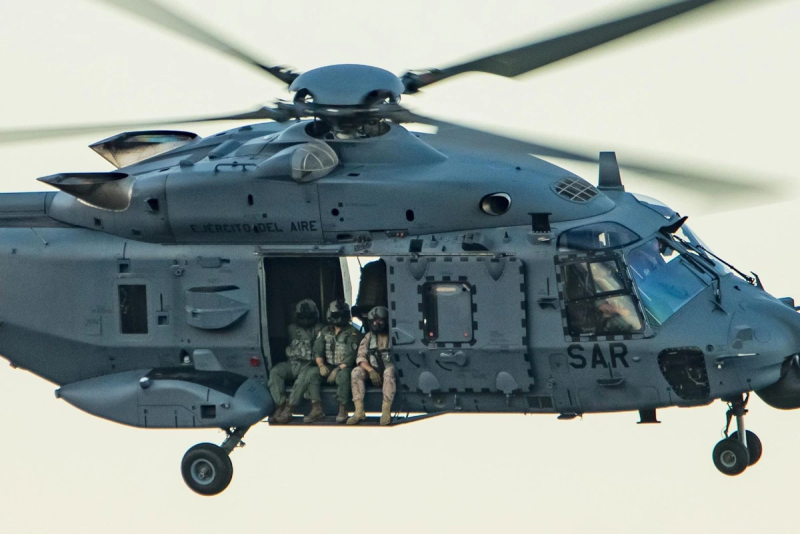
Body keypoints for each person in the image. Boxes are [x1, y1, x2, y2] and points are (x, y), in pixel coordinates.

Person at [269, 299, 324, 424]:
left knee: (302, 380)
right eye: (302, 317)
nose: (305, 320)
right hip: (292, 364)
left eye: (308, 317)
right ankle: (281, 404)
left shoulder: (320, 329)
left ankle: (289, 408)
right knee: (275, 372)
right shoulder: (291, 328)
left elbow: (315, 351)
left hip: (309, 364)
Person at [309, 299, 362, 424]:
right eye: (336, 316)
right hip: (328, 365)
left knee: (344, 377)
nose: (339, 319)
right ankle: (316, 407)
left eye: (342, 316)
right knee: (312, 374)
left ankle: (343, 408)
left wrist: (337, 370)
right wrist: (321, 366)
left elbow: (351, 356)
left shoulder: (353, 333)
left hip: (344, 367)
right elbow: (318, 351)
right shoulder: (325, 331)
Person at [348, 306, 395, 426]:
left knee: (389, 372)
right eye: (373, 321)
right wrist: (370, 371)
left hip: (391, 372)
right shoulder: (368, 337)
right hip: (372, 370)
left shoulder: (394, 336)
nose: (376, 323)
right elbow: (361, 357)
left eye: (380, 320)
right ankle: (359, 411)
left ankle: (386, 410)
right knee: (356, 372)